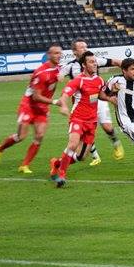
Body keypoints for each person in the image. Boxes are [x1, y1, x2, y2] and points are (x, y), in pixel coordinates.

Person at [0, 43, 63, 174]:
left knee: (39, 135)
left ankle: (24, 165)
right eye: (55, 53)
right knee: (21, 136)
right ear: (48, 55)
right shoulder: (41, 73)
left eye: (60, 53)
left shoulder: (60, 69)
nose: (58, 55)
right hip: (28, 105)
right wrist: (56, 101)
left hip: (42, 108)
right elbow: (36, 97)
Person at [60, 38, 124, 165]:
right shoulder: (71, 66)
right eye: (81, 47)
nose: (85, 48)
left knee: (107, 127)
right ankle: (95, 156)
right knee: (83, 133)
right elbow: (60, 72)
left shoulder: (95, 60)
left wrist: (126, 67)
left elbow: (115, 61)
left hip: (97, 97)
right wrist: (59, 76)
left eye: (86, 46)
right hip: (82, 102)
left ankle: (116, 144)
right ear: (74, 52)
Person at [49, 51, 105, 188]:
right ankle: (61, 175)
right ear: (84, 65)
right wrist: (62, 104)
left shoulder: (99, 80)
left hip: (92, 122)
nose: (95, 64)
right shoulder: (78, 80)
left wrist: (111, 98)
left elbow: (101, 95)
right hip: (78, 119)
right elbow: (66, 93)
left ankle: (57, 163)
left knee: (81, 157)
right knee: (72, 144)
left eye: (95, 61)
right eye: (91, 62)